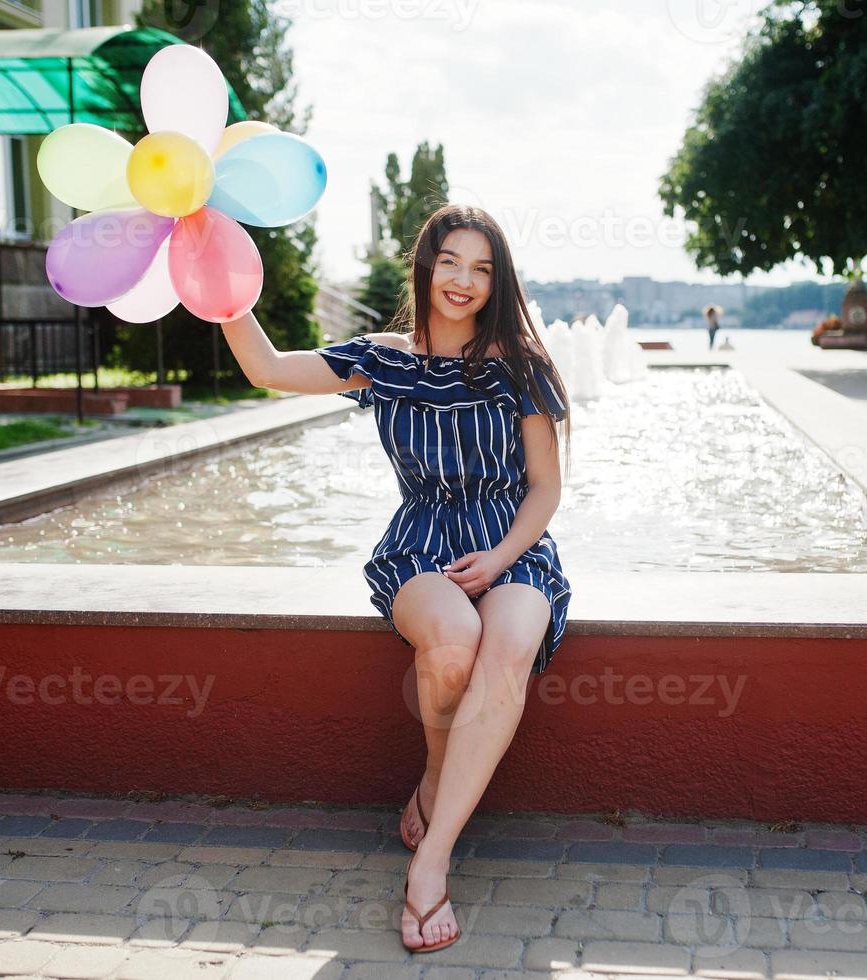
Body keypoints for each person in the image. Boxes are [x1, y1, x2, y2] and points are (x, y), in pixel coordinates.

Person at [219, 203, 573, 954]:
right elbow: (266, 369)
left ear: (496, 280)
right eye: (450, 260)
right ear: (425, 264)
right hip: (420, 543)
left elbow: (545, 486)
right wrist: (221, 289)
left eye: (481, 267)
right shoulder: (382, 358)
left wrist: (502, 556)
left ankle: (432, 858)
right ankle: (436, 777)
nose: (463, 280)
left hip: (509, 544)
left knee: (505, 645)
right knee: (452, 638)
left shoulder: (523, 366)